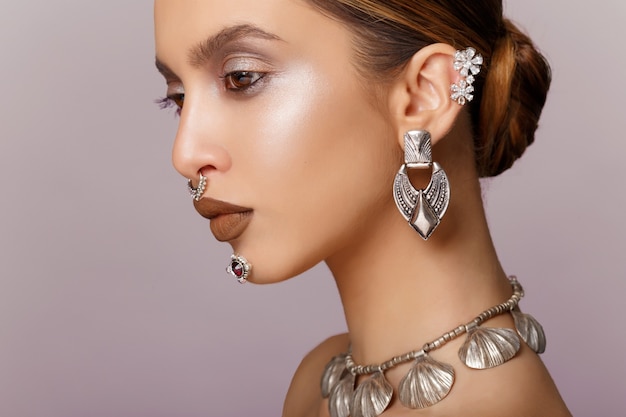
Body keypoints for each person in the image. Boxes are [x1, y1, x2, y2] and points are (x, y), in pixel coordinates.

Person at [153, 0, 571, 416]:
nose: (185, 154)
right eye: (179, 97)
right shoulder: (320, 381)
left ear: (423, 97)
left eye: (241, 77)